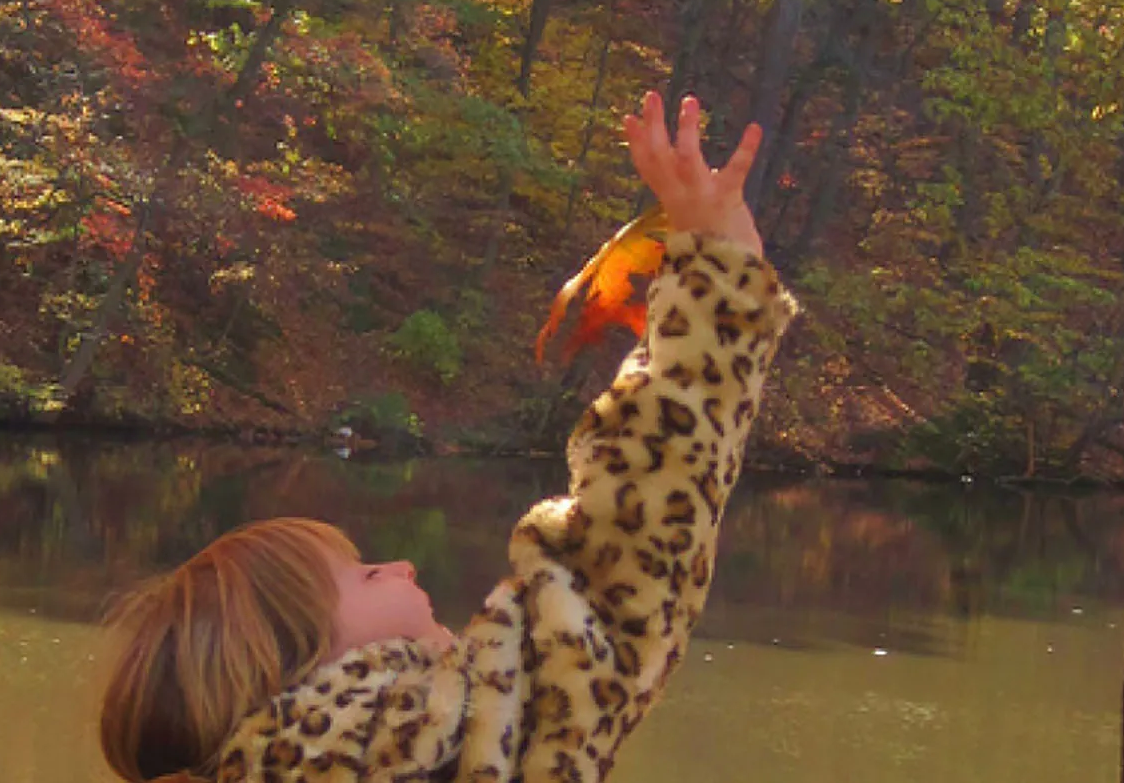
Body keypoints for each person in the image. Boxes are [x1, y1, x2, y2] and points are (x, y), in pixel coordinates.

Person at [99, 91, 797, 783]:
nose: (401, 568)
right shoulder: (437, 742)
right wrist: (717, 284)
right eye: (366, 575)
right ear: (299, 666)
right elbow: (624, 557)